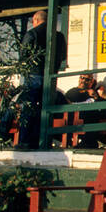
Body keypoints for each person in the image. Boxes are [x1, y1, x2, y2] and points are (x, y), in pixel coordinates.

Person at [17, 9, 67, 148]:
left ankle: (25, 141)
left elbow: (23, 55)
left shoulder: (32, 34)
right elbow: (62, 57)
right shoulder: (59, 36)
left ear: (36, 20)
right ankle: (42, 140)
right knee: (44, 109)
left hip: (34, 75)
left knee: (29, 108)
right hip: (50, 78)